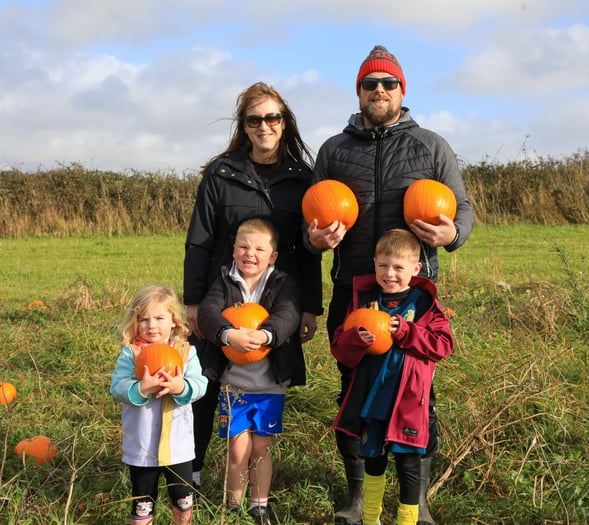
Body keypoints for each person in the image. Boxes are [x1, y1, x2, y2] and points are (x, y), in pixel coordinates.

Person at [307, 45, 474, 525]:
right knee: (354, 392)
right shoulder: (334, 150)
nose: (378, 91)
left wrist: (452, 234)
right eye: (369, 84)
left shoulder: (430, 146)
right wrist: (314, 238)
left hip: (413, 294)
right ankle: (359, 496)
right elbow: (310, 219)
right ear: (358, 91)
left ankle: (416, 501)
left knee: (417, 393)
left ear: (403, 90)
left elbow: (461, 210)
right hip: (354, 291)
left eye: (388, 83)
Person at [183, 82, 323, 494]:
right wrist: (193, 301)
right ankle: (190, 476)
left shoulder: (303, 178)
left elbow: (307, 249)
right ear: (244, 126)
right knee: (206, 385)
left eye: (272, 117)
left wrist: (310, 307)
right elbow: (199, 240)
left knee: (266, 378)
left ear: (284, 122)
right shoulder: (221, 175)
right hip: (222, 294)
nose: (264, 125)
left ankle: (254, 484)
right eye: (255, 119)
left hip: (280, 297)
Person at [331, 229, 454, 525]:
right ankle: (370, 518)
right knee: (373, 461)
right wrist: (357, 339)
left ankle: (407, 521)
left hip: (408, 403)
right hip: (373, 401)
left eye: (398, 268)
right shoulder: (364, 300)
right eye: (383, 266)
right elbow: (340, 348)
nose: (390, 274)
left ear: (415, 269)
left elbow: (443, 345)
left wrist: (407, 332)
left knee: (409, 465)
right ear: (374, 264)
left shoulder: (423, 303)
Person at [196, 217, 305, 525]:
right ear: (233, 250)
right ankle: (233, 505)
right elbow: (207, 312)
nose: (250, 253)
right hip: (234, 384)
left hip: (269, 383)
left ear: (272, 257)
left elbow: (289, 313)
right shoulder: (224, 281)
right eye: (243, 246)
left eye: (259, 248)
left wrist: (267, 335)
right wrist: (227, 335)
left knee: (260, 445)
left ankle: (259, 505)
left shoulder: (282, 283)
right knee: (237, 446)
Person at [110, 285, 208, 525]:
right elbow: (117, 387)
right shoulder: (131, 354)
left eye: (159, 318)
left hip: (178, 445)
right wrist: (141, 388)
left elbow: (200, 383)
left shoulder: (186, 352)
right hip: (141, 443)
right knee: (143, 499)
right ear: (135, 322)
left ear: (174, 321)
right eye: (144, 319)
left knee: (182, 496)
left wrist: (181, 387)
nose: (151, 325)